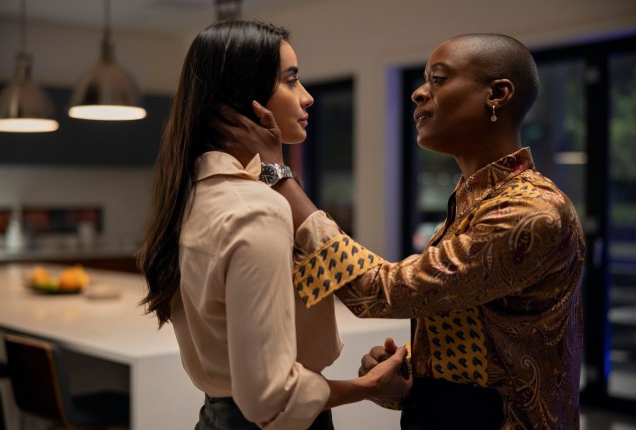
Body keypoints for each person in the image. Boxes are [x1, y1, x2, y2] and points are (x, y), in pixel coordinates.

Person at [219, 33, 586, 429]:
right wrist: (412, 366)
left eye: (438, 79)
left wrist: (279, 174)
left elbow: (383, 291)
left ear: (497, 94)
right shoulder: (478, 199)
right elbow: (488, 333)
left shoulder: (531, 211)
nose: (418, 93)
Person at [137, 19, 411, 430]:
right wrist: (370, 385)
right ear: (247, 97)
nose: (307, 97)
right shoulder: (256, 209)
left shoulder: (192, 192)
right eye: (291, 80)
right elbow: (271, 399)